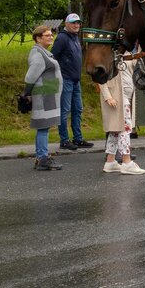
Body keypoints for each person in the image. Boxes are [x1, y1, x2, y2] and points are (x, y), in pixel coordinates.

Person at [22, 25, 62, 171]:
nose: (51, 37)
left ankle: (42, 157)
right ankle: (42, 158)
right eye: (47, 35)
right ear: (38, 38)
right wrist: (26, 93)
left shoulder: (43, 52)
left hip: (49, 95)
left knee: (45, 126)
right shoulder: (38, 54)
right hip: (44, 96)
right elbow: (30, 76)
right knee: (43, 127)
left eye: (51, 35)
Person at [52, 13, 93, 151]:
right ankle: (64, 140)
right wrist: (59, 76)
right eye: (73, 23)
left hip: (76, 80)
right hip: (65, 80)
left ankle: (78, 138)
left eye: (78, 23)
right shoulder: (62, 38)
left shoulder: (75, 37)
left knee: (78, 109)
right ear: (66, 24)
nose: (76, 25)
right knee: (65, 111)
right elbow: (53, 57)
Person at [100, 54, 144, 175]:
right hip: (117, 97)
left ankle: (110, 161)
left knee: (116, 130)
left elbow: (138, 63)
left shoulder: (128, 53)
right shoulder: (109, 53)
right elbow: (100, 77)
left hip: (127, 96)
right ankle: (126, 161)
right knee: (125, 128)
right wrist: (108, 96)